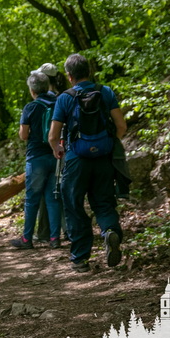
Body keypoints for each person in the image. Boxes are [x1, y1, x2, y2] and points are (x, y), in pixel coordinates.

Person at [48, 53, 127, 273]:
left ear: (69, 75)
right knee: (104, 202)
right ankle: (110, 231)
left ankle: (80, 258)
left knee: (74, 206)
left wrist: (58, 149)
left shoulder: (65, 98)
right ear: (89, 71)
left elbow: (53, 136)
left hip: (76, 160)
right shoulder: (105, 92)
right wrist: (109, 144)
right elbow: (121, 126)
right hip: (103, 159)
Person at [9, 72, 62, 250]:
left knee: (32, 199)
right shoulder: (58, 103)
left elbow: (23, 135)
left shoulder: (30, 107)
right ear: (47, 87)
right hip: (56, 155)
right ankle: (55, 238)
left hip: (36, 157)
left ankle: (27, 239)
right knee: (53, 198)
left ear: (32, 90)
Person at [29, 63, 68, 243]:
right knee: (57, 191)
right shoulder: (61, 97)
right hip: (61, 149)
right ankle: (57, 231)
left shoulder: (46, 101)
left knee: (52, 193)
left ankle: (52, 232)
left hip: (52, 150)